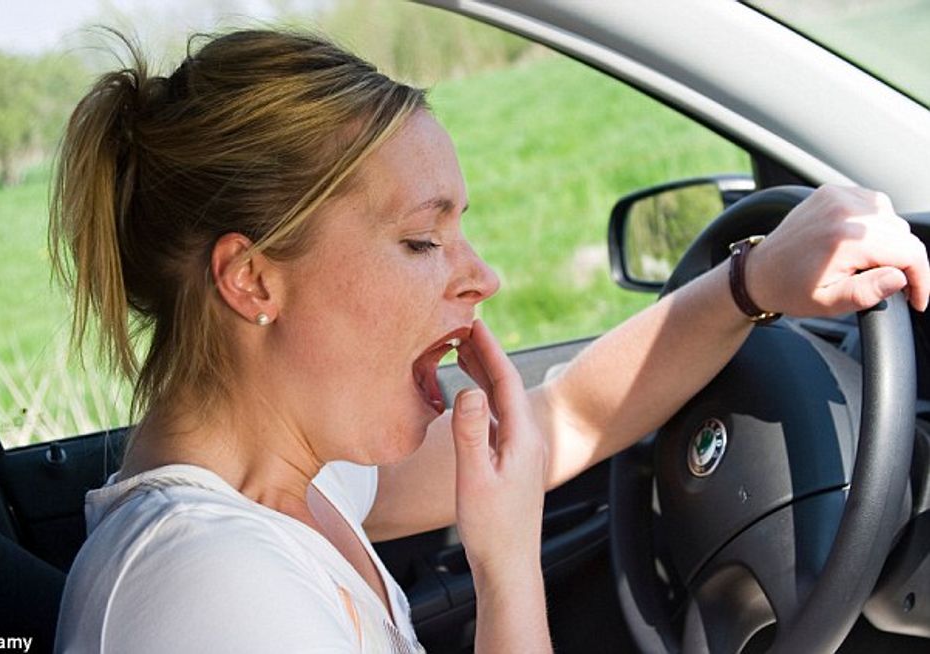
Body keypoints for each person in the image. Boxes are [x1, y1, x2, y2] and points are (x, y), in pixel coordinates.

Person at [50, 28, 929, 654]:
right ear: (253, 280)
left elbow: (569, 415)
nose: (482, 277)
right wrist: (506, 569)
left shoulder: (299, 486)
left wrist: (752, 284)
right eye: (420, 240)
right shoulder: (213, 594)